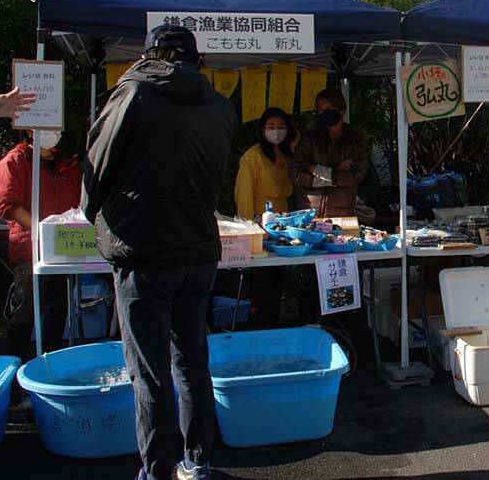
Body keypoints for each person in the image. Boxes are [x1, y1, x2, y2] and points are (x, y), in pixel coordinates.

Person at [82, 25, 235, 480]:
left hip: (143, 251)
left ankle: (156, 470)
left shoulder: (133, 94)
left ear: (149, 55)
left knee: (149, 372)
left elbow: (98, 162)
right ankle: (198, 461)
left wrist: (92, 213)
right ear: (196, 60)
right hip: (198, 248)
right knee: (191, 361)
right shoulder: (220, 106)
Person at [0, 130, 81, 360]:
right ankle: (14, 372)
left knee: (57, 309)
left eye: (58, 127)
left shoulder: (68, 165)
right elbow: (6, 203)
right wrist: (40, 230)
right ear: (30, 130)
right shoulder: (15, 160)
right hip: (29, 249)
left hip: (63, 250)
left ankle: (50, 367)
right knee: (25, 310)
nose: (55, 132)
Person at [233, 107, 298, 328]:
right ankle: (262, 323)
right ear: (262, 130)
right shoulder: (252, 156)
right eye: (271, 127)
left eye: (281, 127)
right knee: (263, 280)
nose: (276, 131)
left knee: (277, 278)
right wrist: (248, 227)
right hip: (260, 221)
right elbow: (243, 194)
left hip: (284, 219)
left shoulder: (288, 152)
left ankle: (274, 321)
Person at [290, 89, 369, 217]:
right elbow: (295, 173)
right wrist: (334, 177)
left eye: (329, 108)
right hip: (309, 212)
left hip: (342, 213)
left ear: (342, 110)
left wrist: (315, 169)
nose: (324, 113)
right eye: (321, 110)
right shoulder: (310, 137)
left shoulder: (355, 140)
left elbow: (356, 175)